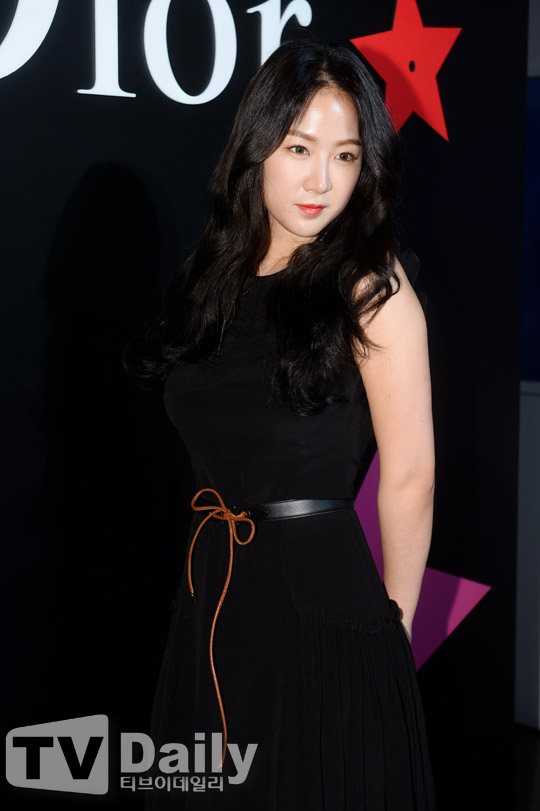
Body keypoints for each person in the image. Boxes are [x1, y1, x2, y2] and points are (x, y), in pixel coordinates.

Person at [124, 38, 436, 810]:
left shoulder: (372, 287)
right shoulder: (215, 278)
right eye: (299, 148)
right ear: (257, 146)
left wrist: (391, 635)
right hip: (213, 596)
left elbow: (410, 474)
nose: (321, 180)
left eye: (345, 156)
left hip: (320, 609)